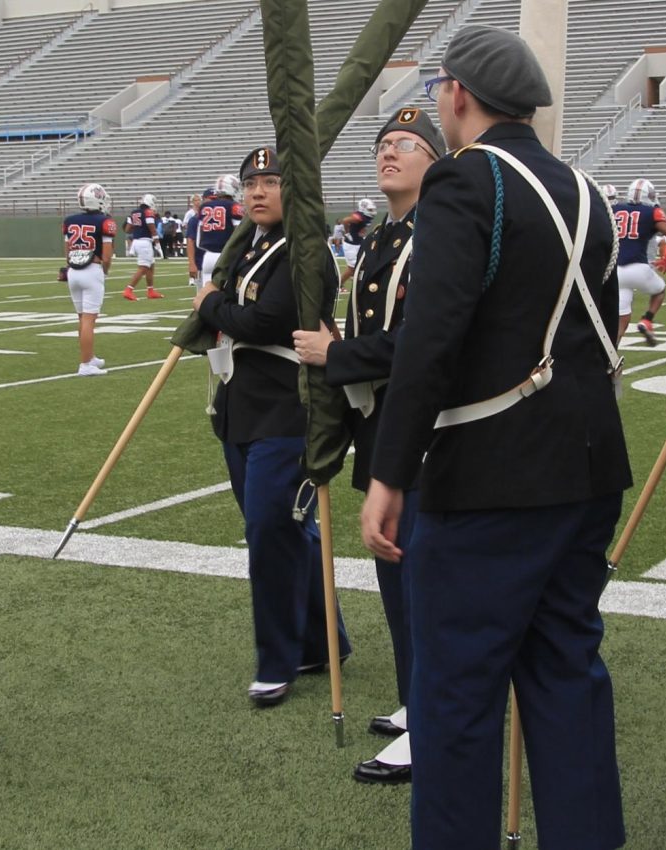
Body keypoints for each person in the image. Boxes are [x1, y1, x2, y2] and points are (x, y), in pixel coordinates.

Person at [360, 27, 629, 849]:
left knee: (455, 704)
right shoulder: (587, 188)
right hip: (586, 469)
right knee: (567, 687)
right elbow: (602, 335)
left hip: (487, 484)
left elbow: (428, 342)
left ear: (458, 95)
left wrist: (389, 472)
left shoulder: (466, 181)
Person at [294, 106, 444, 785]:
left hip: (424, 433)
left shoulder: (439, 232)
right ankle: (420, 701)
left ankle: (433, 719)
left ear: (434, 160)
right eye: (383, 144)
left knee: (419, 577)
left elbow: (419, 343)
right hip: (380, 427)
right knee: (396, 577)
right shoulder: (383, 234)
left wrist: (338, 353)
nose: (389, 153)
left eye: (406, 144)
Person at [194, 145, 350, 707]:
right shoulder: (251, 246)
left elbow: (263, 321)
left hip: (288, 410)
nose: (258, 191)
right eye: (250, 182)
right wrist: (218, 305)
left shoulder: (304, 251)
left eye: (271, 181)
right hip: (241, 407)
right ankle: (321, 639)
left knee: (268, 529)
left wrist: (210, 303)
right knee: (286, 529)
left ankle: (277, 658)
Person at [611, 178, 666, 346]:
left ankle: (611, 355)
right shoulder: (652, 212)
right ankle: (647, 320)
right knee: (660, 290)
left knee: (622, 316)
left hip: (616, 271)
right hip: (638, 267)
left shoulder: (614, 209)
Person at [63, 182, 117, 376]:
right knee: (89, 319)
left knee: (82, 317)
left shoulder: (69, 220)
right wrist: (105, 270)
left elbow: (67, 249)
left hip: (73, 271)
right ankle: (85, 364)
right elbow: (108, 255)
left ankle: (89, 356)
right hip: (92, 268)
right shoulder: (104, 221)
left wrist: (69, 266)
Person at [195, 175, 243, 285]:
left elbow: (199, 235)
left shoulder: (204, 206)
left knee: (207, 291)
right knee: (227, 292)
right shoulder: (234, 206)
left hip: (208, 255)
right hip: (226, 256)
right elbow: (239, 233)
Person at [122, 194, 164, 301]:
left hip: (136, 241)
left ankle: (150, 290)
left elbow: (127, 230)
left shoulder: (134, 212)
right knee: (143, 268)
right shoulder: (148, 212)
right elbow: (152, 229)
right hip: (144, 242)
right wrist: (158, 245)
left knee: (151, 265)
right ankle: (128, 290)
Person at [338, 198, 375, 284]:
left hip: (359, 242)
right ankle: (338, 285)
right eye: (370, 209)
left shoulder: (364, 217)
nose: (372, 211)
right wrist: (347, 233)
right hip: (351, 244)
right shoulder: (359, 217)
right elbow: (345, 220)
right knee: (352, 269)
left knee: (364, 263)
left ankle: (360, 282)